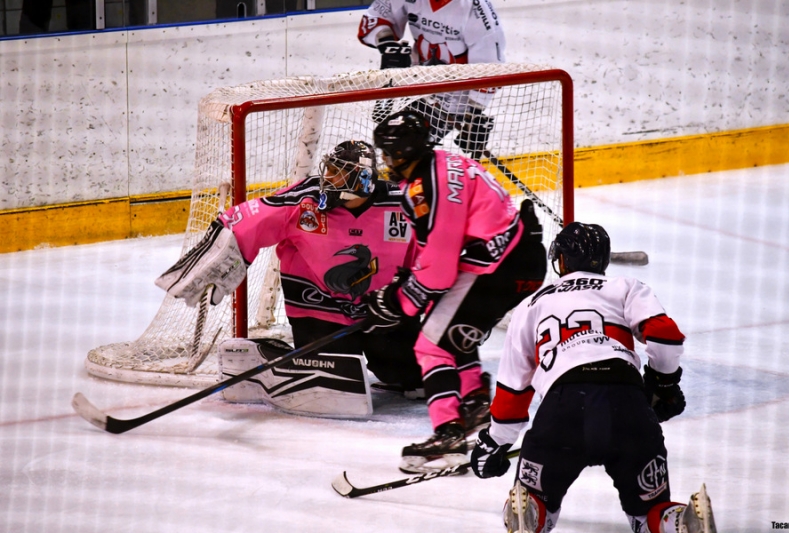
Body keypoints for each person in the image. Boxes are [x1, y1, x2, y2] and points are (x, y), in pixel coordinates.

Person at [469, 222, 717, 533]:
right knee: (650, 511)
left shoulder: (529, 306)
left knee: (534, 499)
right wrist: (663, 385)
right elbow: (665, 336)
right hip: (626, 404)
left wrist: (494, 443)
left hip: (563, 410)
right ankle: (683, 522)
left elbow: (513, 391)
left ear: (560, 261)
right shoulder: (624, 286)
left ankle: (529, 513)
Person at [156, 140, 424, 402]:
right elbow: (247, 220)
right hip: (320, 309)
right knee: (332, 388)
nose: (327, 177)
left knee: (416, 378)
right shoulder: (305, 198)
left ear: (362, 178)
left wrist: (412, 295)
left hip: (383, 310)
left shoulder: (402, 202)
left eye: (337, 172)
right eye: (327, 168)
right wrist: (221, 253)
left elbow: (433, 251)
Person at [363, 109, 548, 473]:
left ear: (405, 154)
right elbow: (429, 245)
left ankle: (447, 435)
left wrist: (401, 300)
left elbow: (440, 267)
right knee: (448, 329)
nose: (384, 161)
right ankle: (476, 404)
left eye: (388, 154)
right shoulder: (438, 165)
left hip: (501, 265)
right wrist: (406, 283)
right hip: (512, 257)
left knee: (431, 343)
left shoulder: (430, 185)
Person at [357, 0, 506, 159]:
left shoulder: (474, 8)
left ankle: (428, 179)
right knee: (391, 144)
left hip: (453, 99)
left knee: (403, 151)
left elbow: (490, 64)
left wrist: (474, 114)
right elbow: (376, 17)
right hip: (419, 82)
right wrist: (387, 44)